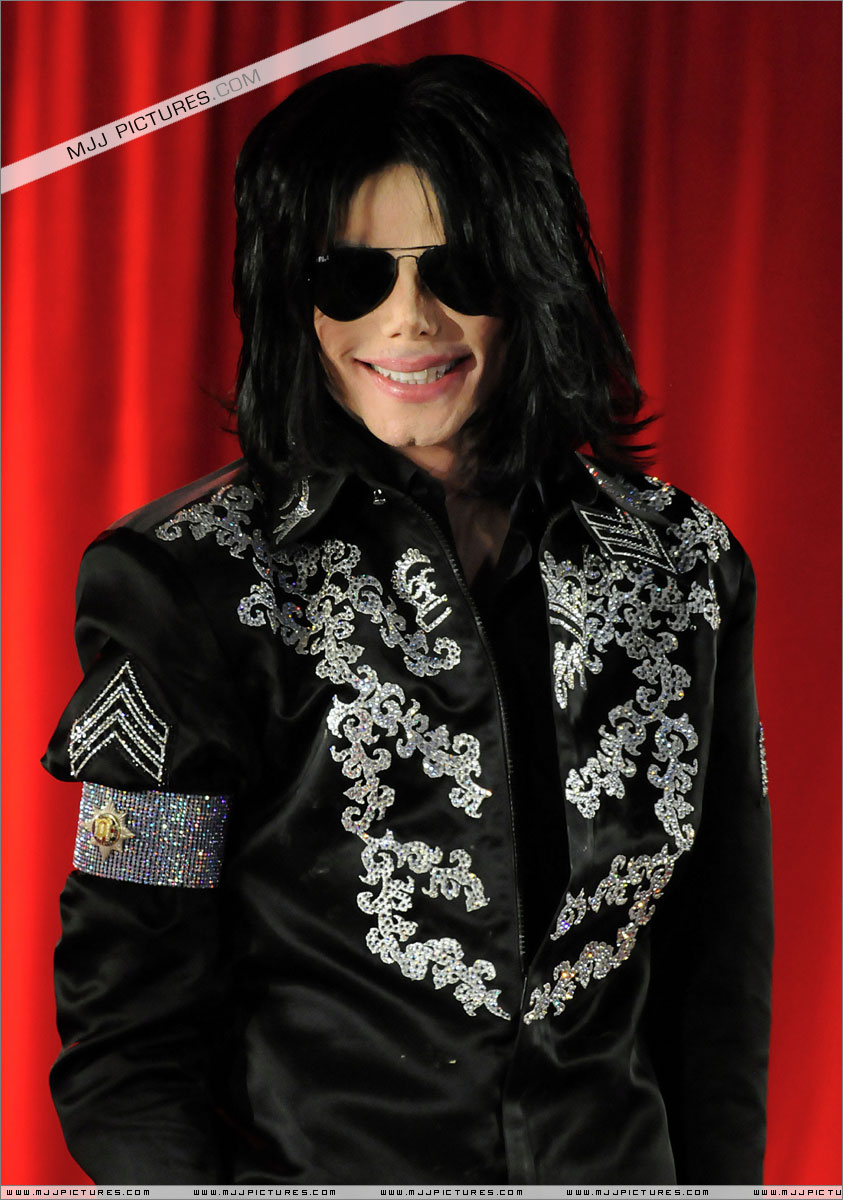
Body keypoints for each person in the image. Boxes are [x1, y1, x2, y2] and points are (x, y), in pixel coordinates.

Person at [43, 55, 773, 1186]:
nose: (407, 320)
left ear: (531, 275)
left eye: (460, 269)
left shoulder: (683, 567)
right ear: (289, 295)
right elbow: (127, 1037)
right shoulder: (186, 587)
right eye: (349, 277)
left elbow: (717, 982)